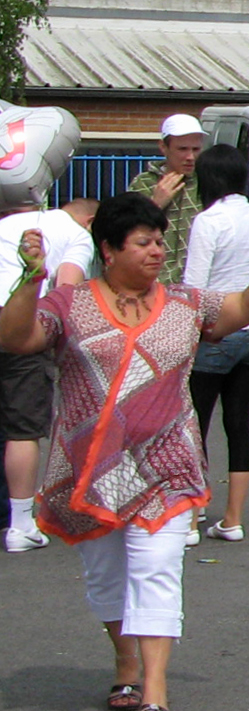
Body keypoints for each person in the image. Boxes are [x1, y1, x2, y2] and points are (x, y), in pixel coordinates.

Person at [0, 192, 249, 711]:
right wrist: (31, 278)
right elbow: (15, 337)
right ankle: (126, 663)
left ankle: (156, 693)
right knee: (107, 578)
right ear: (109, 250)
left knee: (157, 571)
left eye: (160, 241)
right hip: (90, 471)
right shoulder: (68, 304)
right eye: (143, 242)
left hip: (167, 466)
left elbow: (238, 310)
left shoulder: (185, 303)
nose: (156, 251)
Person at [182, 144, 249, 542]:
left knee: (193, 427)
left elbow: (194, 287)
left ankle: (189, 518)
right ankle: (232, 519)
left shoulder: (208, 220)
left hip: (214, 332)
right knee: (238, 426)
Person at [0, 194, 96, 554]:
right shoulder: (77, 235)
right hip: (20, 324)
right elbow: (65, 290)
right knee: (22, 429)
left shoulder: (8, 223)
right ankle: (22, 525)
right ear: (88, 221)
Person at [128, 113, 207, 284]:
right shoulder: (143, 183)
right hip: (152, 283)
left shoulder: (207, 182)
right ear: (163, 147)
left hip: (195, 284)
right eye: (182, 149)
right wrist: (155, 204)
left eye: (195, 149)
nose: (190, 157)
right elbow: (125, 230)